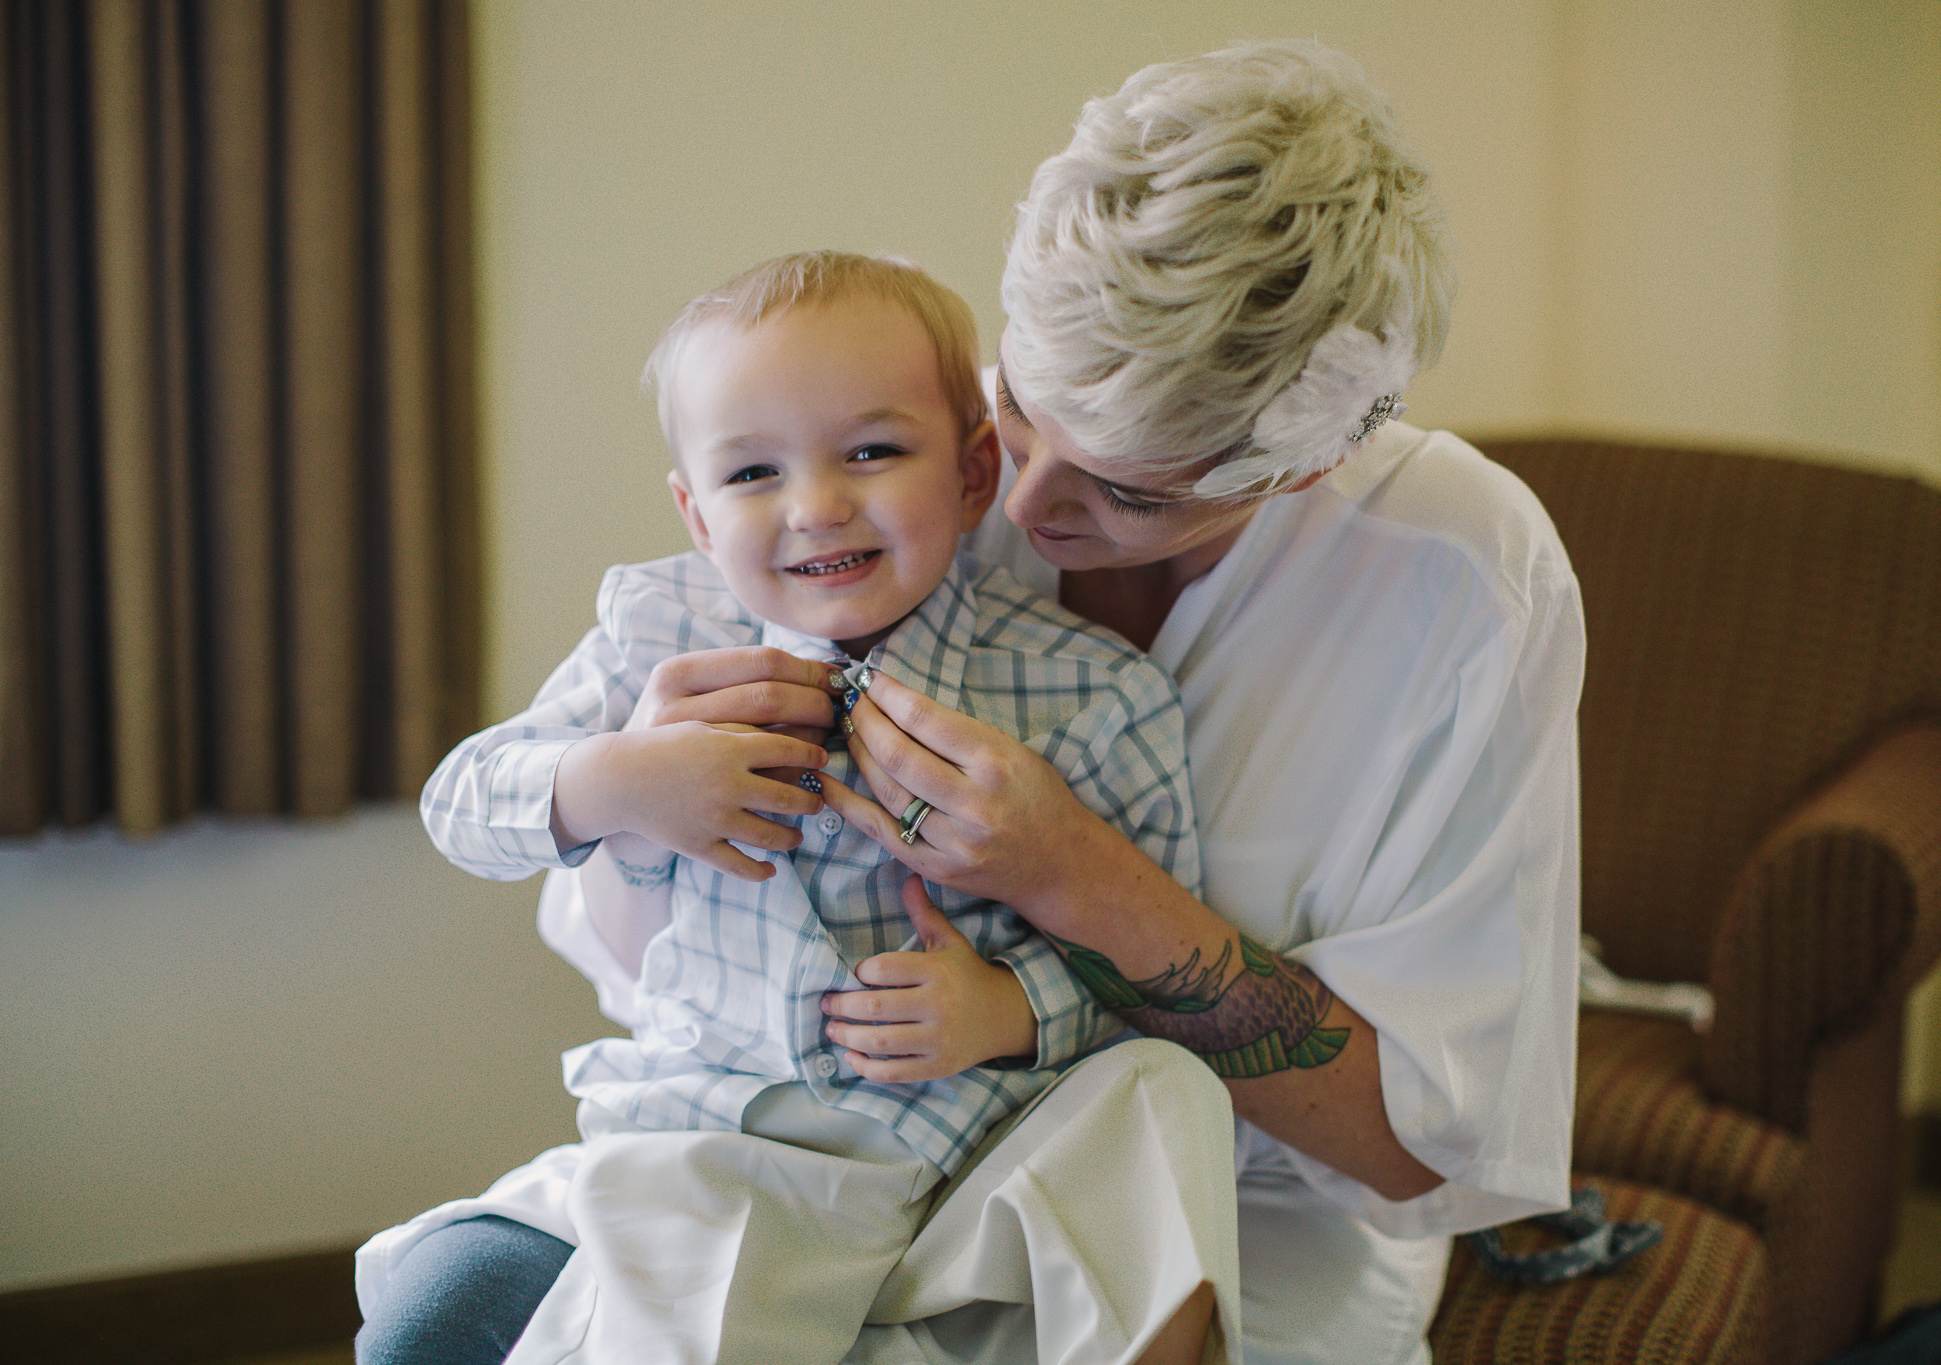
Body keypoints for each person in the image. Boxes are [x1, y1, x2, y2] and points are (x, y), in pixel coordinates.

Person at [537, 38, 1582, 1365]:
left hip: (1251, 1209)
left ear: (1313, 463)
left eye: (1130, 491)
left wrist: (1072, 876)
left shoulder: (1460, 583)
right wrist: (645, 794)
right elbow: (616, 937)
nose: (1019, 512)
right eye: (1018, 421)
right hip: (811, 1131)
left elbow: (1415, 1151)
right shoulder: (897, 464)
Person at [354, 253, 1236, 1365]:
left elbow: (1166, 977)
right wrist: (619, 778)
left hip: (972, 1155)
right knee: (694, 1269)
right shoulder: (659, 635)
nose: (817, 506)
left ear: (971, 476)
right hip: (721, 1143)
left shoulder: (1091, 692)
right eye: (752, 473)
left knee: (1165, 1098)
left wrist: (1010, 1009)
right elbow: (460, 804)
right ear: (694, 510)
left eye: (872, 451)